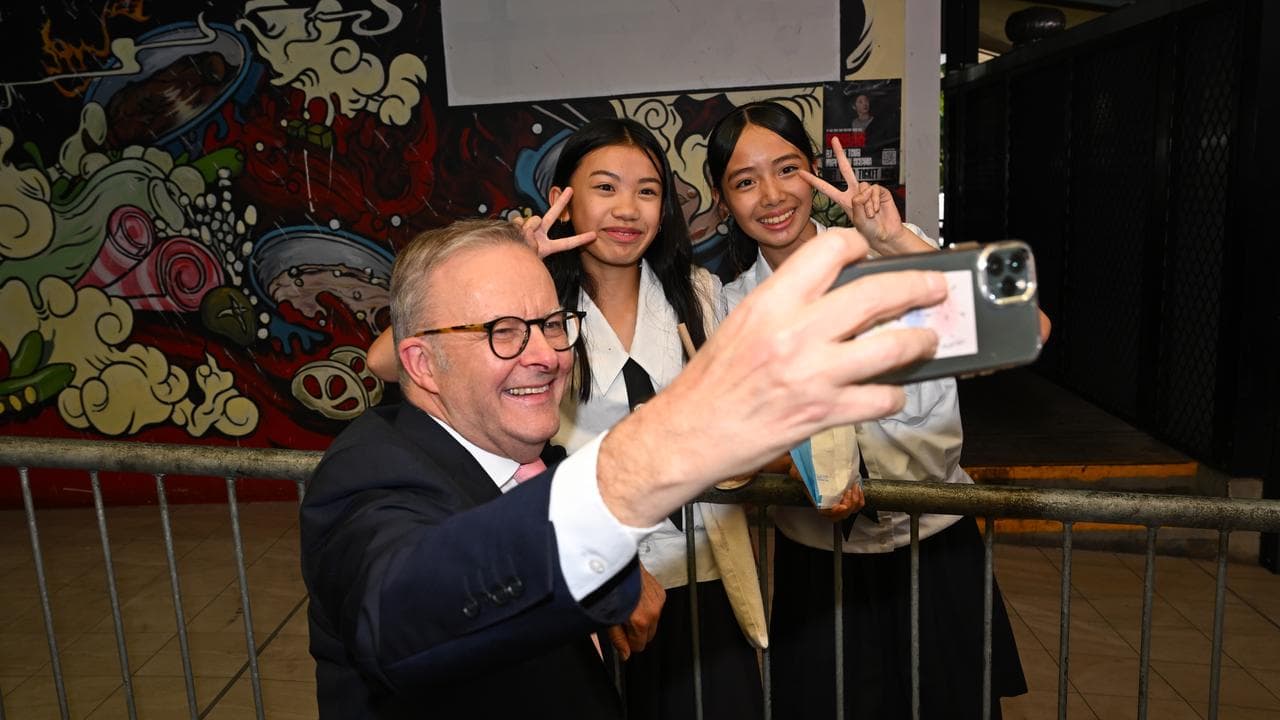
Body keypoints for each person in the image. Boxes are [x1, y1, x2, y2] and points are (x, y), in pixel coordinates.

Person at [302, 217, 947, 718]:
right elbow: (401, 611)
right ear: (421, 364)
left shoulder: (522, 456)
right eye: (503, 331)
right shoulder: (368, 468)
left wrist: (614, 568)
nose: (545, 355)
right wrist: (659, 450)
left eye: (551, 324)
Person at [707, 101, 1030, 719]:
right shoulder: (730, 311)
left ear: (814, 171)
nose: (772, 196)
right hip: (818, 567)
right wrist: (796, 464)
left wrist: (894, 242)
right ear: (722, 201)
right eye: (745, 181)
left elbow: (1015, 326)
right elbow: (732, 442)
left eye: (788, 169)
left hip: (936, 547)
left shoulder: (897, 255)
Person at [519, 117, 765, 720]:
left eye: (647, 191)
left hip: (702, 571)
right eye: (605, 187)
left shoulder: (698, 293)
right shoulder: (533, 302)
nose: (627, 209)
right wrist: (512, 266)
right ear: (563, 200)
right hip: (588, 576)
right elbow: (391, 360)